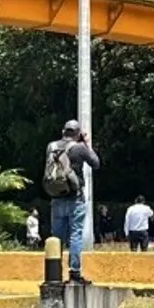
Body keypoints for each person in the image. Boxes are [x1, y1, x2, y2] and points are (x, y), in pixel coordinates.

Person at [43, 119, 100, 283]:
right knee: (75, 235)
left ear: (63, 131)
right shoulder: (79, 148)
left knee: (57, 237)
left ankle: (54, 274)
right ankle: (75, 272)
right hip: (75, 198)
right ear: (77, 133)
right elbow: (96, 163)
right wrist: (86, 143)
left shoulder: (51, 147)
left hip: (56, 197)